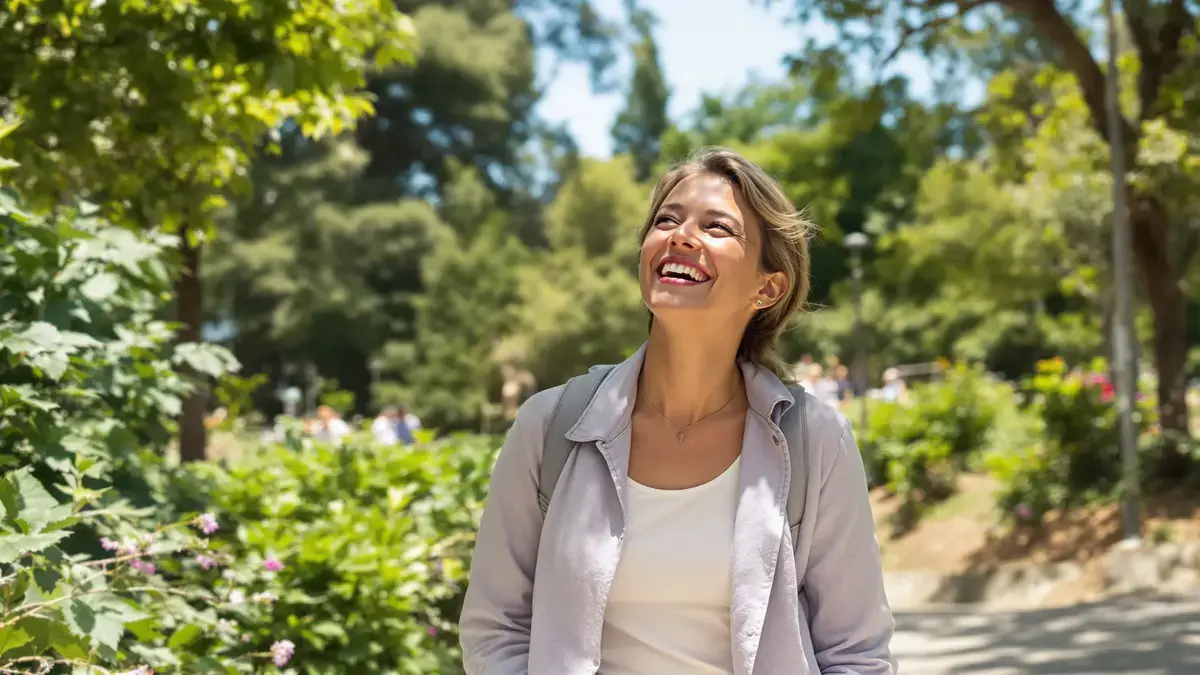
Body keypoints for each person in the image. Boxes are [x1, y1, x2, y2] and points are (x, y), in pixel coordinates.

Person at [460, 148, 895, 674]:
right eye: (666, 220)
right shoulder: (549, 427)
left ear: (767, 287)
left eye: (717, 227)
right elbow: (496, 630)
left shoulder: (816, 441)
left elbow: (856, 654)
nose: (681, 236)